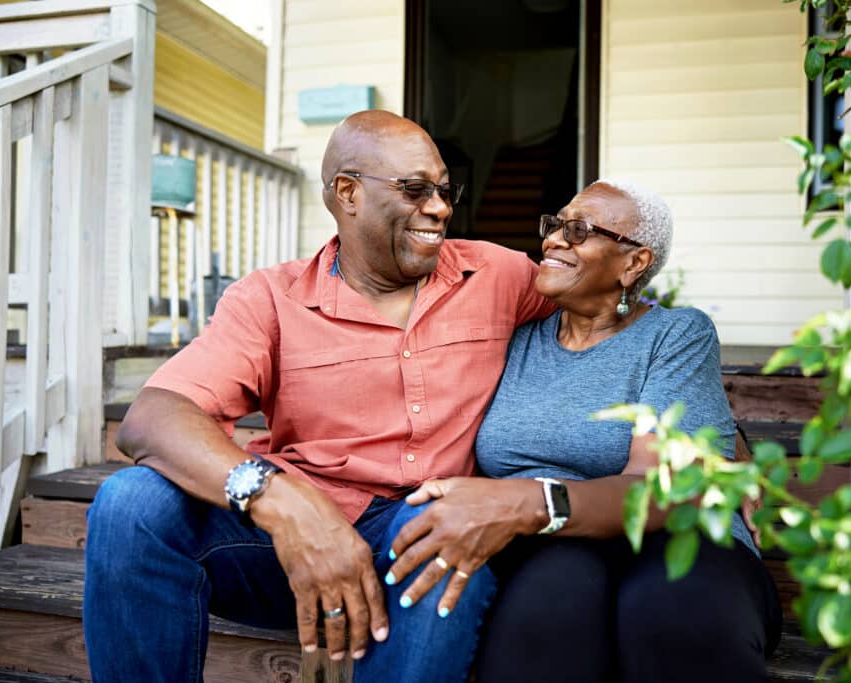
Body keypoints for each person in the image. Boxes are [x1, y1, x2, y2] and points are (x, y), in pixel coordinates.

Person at [82, 110, 555, 683]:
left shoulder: (497, 275)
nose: (440, 207)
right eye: (414, 190)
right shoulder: (270, 298)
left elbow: (599, 306)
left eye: (443, 189)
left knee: (442, 547)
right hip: (286, 545)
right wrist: (288, 509)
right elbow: (152, 418)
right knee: (131, 504)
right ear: (348, 193)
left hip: (420, 533)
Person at [384, 179, 783, 682]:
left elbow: (659, 491)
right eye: (555, 226)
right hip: (553, 547)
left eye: (578, 231)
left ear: (634, 263)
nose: (553, 240)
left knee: (670, 611)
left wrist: (524, 502)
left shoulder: (675, 334)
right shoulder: (512, 335)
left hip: (677, 539)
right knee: (549, 610)